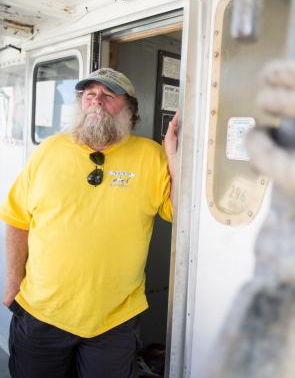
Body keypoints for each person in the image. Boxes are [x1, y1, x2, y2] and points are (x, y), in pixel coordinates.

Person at [0, 68, 180, 377]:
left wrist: (174, 158)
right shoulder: (48, 151)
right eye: (89, 95)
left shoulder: (150, 156)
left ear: (130, 110)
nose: (96, 101)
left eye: (108, 96)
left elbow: (178, 212)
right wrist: (13, 284)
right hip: (42, 312)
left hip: (114, 320)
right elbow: (17, 219)